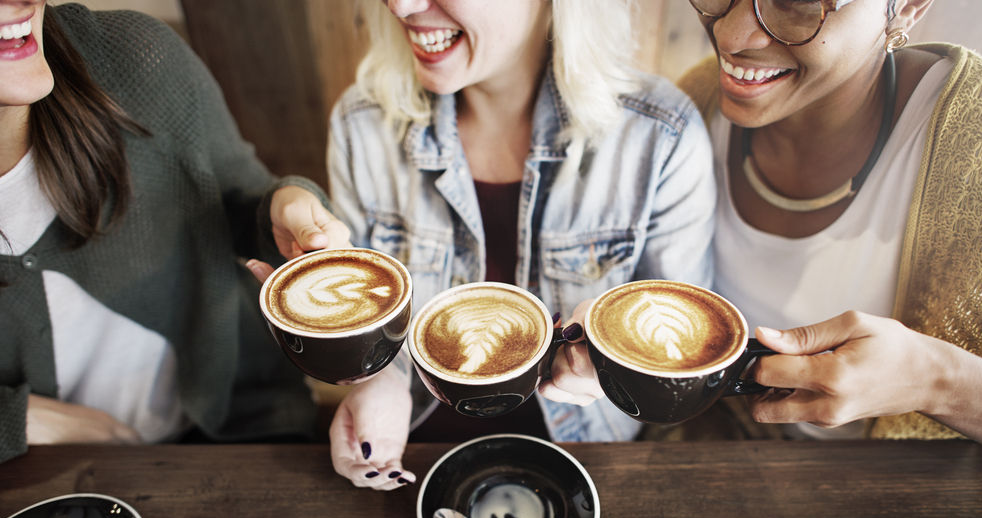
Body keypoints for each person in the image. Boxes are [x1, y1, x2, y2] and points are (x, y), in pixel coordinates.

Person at [262, 0, 717, 489]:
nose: (402, 5)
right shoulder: (363, 123)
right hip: (419, 450)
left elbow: (681, 358)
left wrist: (614, 360)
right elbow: (374, 329)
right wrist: (381, 385)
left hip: (589, 464)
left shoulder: (660, 136)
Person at [0, 1, 340, 462]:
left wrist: (283, 205)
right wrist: (18, 419)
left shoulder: (134, 56)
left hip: (245, 436)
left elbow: (238, 198)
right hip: (42, 481)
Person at [670, 0, 982, 442]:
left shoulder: (981, 142)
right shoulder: (690, 108)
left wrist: (938, 381)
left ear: (908, 7)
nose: (730, 35)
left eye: (797, 3)